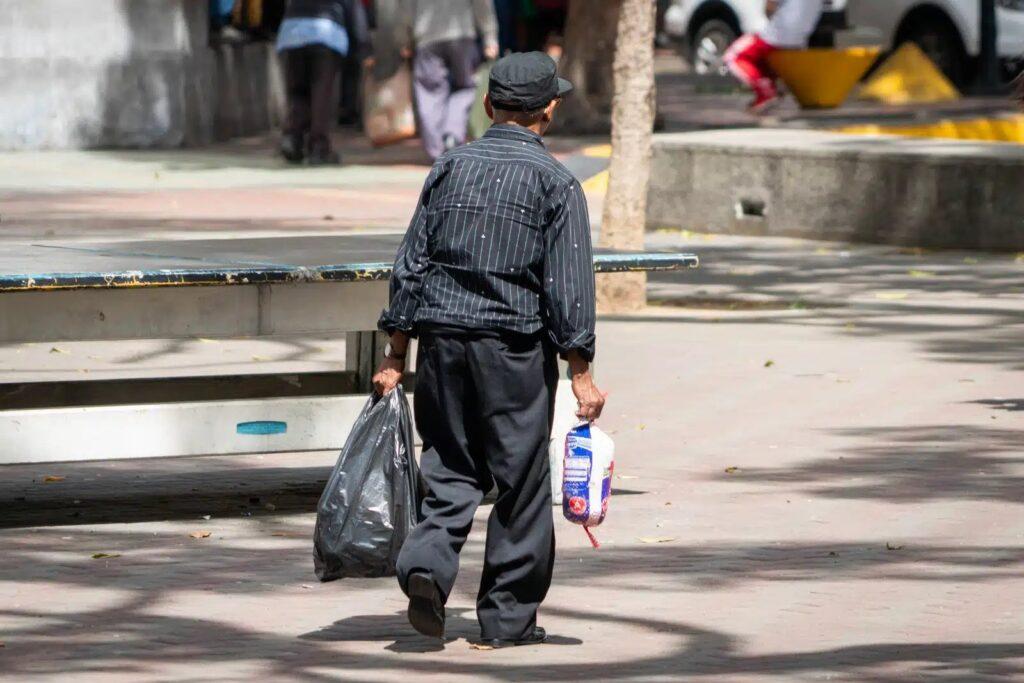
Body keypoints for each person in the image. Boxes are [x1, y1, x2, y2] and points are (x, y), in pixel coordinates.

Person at [373, 51, 606, 647]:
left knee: (449, 466)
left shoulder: (448, 167)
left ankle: (426, 565)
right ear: (549, 109)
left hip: (443, 344)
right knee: (522, 483)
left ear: (487, 105)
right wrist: (580, 373)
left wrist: (396, 354)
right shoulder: (556, 182)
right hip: (513, 350)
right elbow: (569, 287)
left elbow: (411, 264)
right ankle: (505, 621)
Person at [401, 0, 500, 159]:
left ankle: (435, 149)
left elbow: (406, 8)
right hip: (461, 35)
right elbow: (482, 4)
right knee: (466, 87)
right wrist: (490, 37)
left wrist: (405, 39)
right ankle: (452, 135)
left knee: (430, 92)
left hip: (427, 37)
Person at [276, 0, 371, 164]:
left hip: (291, 33)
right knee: (322, 93)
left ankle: (292, 138)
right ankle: (319, 148)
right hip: (326, 34)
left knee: (297, 90)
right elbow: (353, 10)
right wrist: (362, 46)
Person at [724, 0, 825, 113]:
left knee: (733, 56)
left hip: (777, 36)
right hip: (801, 38)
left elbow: (769, 7)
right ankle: (773, 86)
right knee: (760, 58)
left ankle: (766, 93)